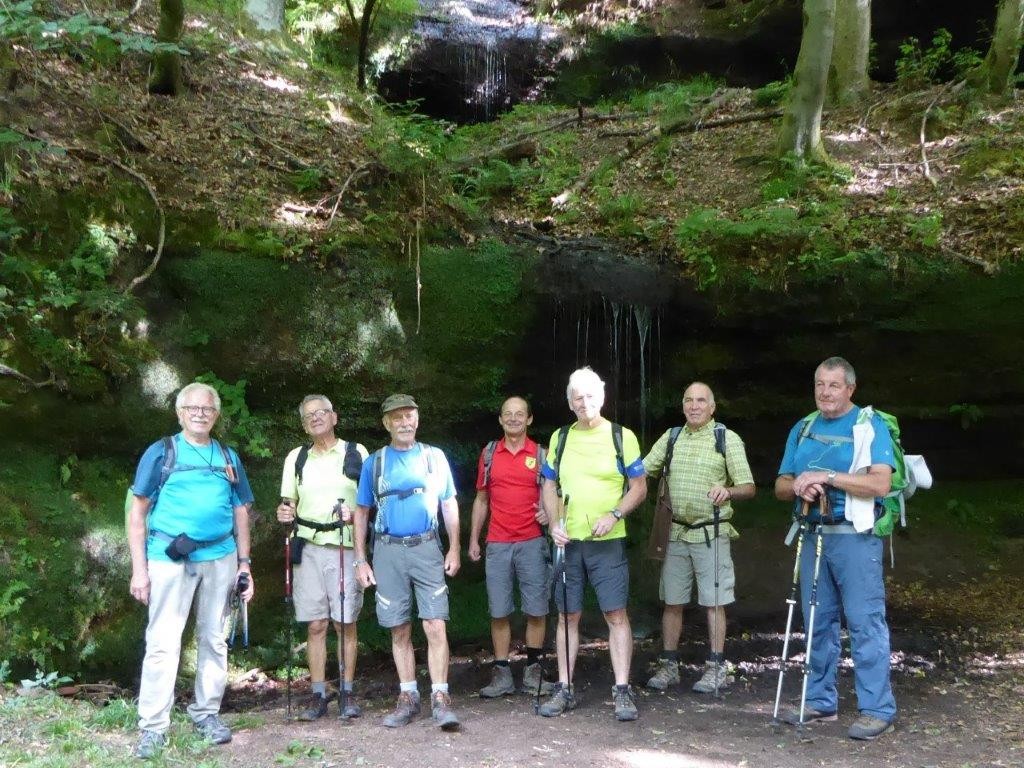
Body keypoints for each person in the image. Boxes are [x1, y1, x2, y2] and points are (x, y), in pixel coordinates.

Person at [127, 382, 255, 760]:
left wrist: (245, 564)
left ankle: (206, 714)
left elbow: (241, 511)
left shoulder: (227, 455)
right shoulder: (162, 452)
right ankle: (153, 727)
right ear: (179, 412)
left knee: (214, 638)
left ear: (216, 414)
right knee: (163, 641)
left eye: (208, 408)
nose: (200, 413)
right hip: (170, 558)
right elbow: (138, 513)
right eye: (192, 408)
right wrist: (140, 570)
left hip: (221, 557)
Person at [775, 356, 897, 740]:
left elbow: (879, 484)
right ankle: (820, 701)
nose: (825, 393)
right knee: (817, 622)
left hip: (855, 537)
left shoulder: (869, 425)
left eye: (833, 385)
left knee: (864, 621)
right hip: (812, 535)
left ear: (850, 389)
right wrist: (799, 485)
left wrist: (826, 477)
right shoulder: (804, 426)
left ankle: (877, 708)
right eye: (819, 385)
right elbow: (780, 484)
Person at [537, 367, 647, 721]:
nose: (585, 403)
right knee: (567, 615)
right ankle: (565, 688)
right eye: (577, 397)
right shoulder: (561, 438)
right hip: (569, 544)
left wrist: (614, 514)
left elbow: (640, 487)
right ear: (570, 402)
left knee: (615, 614)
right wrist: (554, 522)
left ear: (603, 396)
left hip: (607, 542)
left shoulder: (621, 436)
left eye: (590, 395)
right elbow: (549, 486)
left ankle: (622, 690)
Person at [352, 394, 462, 730]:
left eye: (409, 416)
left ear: (418, 419)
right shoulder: (376, 462)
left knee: (435, 623)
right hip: (387, 550)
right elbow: (361, 511)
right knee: (399, 626)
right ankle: (408, 695)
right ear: (386, 423)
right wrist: (360, 559)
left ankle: (441, 697)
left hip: (427, 547)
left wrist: (454, 548)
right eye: (397, 417)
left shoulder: (434, 457)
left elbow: (449, 504)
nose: (404, 422)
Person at [642, 382, 755, 693]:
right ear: (682, 406)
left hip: (711, 532)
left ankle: (716, 667)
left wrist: (728, 491)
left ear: (712, 407)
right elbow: (642, 470)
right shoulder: (671, 438)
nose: (694, 406)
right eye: (689, 400)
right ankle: (669, 667)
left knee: (714, 601)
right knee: (672, 601)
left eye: (701, 401)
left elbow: (748, 485)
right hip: (676, 532)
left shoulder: (726, 439)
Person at [276, 395, 369, 720]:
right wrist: (284, 513)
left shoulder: (356, 453)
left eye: (322, 413)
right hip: (309, 546)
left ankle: (346, 692)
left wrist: (352, 513)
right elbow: (288, 502)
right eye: (309, 416)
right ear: (304, 424)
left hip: (344, 545)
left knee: (345, 623)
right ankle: (319, 694)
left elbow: (368, 503)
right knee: (315, 624)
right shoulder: (296, 458)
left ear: (334, 416)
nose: (316, 418)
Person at [469, 396, 554, 698]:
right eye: (509, 414)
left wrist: (548, 512)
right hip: (498, 542)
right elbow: (481, 499)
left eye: (520, 414)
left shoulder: (542, 454)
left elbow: (554, 494)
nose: (514, 419)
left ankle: (533, 674)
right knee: (499, 611)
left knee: (536, 609)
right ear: (501, 420)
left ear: (529, 419)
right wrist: (473, 540)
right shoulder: (490, 453)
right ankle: (502, 674)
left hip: (532, 541)